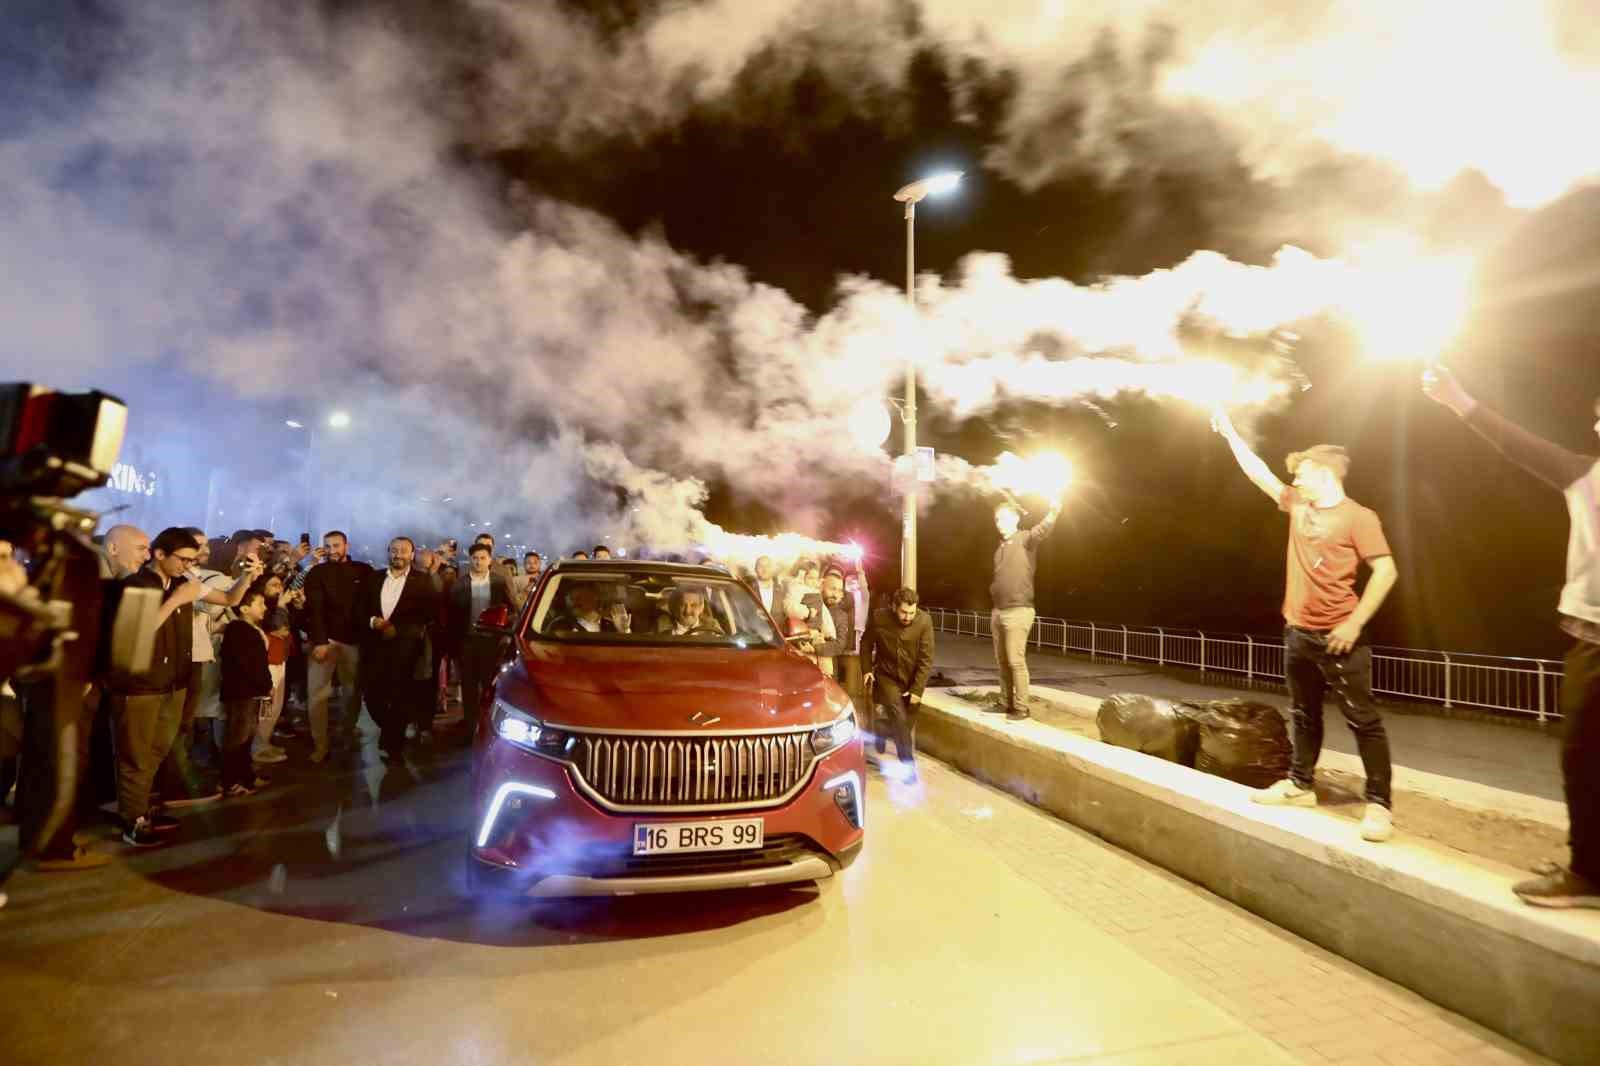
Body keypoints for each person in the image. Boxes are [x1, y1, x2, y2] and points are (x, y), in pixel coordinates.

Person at [1424, 364, 1600, 906]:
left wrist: (1459, 401)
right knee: (1584, 753)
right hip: (1593, 635)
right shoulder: (1584, 474)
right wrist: (1458, 401)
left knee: (1584, 752)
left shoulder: (1585, 475)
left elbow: (1517, 444)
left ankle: (1589, 874)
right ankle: (1590, 869)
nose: (1597, 427)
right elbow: (1517, 445)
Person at [1213, 411, 1400, 843]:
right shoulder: (1298, 505)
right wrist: (1230, 433)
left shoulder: (1359, 517)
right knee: (1303, 714)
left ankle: (1380, 806)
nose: (1295, 482)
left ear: (1326, 473)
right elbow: (1258, 473)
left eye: (1302, 474)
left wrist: (1353, 625)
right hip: (1297, 633)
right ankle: (1300, 785)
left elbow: (1386, 571)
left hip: (1340, 638)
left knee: (1364, 722)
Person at [105, 527, 261, 846]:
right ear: (160, 555)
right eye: (183, 558)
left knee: (159, 748)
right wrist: (177, 598)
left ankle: (142, 808)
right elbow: (134, 634)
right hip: (140, 685)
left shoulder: (182, 583)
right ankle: (132, 820)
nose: (188, 565)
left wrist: (247, 578)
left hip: (172, 682)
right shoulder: (137, 584)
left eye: (193, 559)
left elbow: (230, 598)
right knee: (136, 753)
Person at [357, 536, 439, 761]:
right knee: (372, 697)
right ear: (388, 552)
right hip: (374, 649)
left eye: (403, 551)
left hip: (406, 649)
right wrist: (373, 621)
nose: (398, 555)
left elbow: (429, 614)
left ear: (412, 555)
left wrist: (398, 628)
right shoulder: (373, 578)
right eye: (394, 550)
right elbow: (360, 609)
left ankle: (394, 748)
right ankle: (392, 732)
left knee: (400, 698)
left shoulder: (422, 581)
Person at [989, 497, 1062, 723]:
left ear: (1015, 518)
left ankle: (1021, 707)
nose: (999, 523)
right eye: (996, 519)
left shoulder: (1026, 539)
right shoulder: (1000, 548)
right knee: (1002, 661)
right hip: (998, 611)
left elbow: (1043, 529)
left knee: (1015, 660)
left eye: (1003, 518)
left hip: (1018, 611)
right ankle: (1005, 703)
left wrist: (1054, 510)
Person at [303, 530, 371, 762]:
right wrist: (320, 641)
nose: (332, 550)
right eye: (328, 546)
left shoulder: (364, 571)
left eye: (336, 545)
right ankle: (320, 744)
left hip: (354, 641)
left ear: (346, 546)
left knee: (352, 693)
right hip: (326, 640)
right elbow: (315, 609)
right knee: (317, 694)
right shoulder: (317, 573)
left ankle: (347, 732)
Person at [861, 587, 935, 783]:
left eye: (911, 612)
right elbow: (866, 644)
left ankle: (881, 730)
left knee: (905, 723)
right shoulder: (879, 618)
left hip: (912, 679)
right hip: (887, 677)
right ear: (894, 607)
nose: (907, 617)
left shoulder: (924, 621)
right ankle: (908, 766)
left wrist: (917, 689)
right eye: (903, 612)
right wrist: (867, 669)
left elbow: (926, 659)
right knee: (899, 718)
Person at [449, 544, 514, 728]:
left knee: (489, 685)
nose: (478, 561)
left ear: (490, 560)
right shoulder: (460, 583)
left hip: (492, 641)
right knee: (468, 685)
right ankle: (470, 724)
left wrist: (504, 627)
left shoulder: (498, 582)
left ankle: (488, 724)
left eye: (483, 558)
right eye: (475, 558)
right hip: (467, 641)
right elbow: (453, 616)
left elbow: (512, 608)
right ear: (470, 559)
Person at [218, 588, 273, 797]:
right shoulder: (239, 630)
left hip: (250, 691)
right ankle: (230, 780)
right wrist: (264, 683)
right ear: (244, 608)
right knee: (238, 737)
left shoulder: (248, 629)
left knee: (246, 736)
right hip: (242, 693)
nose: (265, 608)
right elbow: (248, 664)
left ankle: (246, 775)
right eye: (260, 604)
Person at [549, 582, 629, 634]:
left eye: (579, 597)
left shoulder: (611, 626)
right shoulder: (560, 625)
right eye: (571, 599)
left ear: (595, 597)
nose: (573, 603)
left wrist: (623, 631)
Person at [655, 587, 724, 637]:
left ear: (701, 608)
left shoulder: (712, 626)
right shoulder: (661, 625)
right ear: (676, 607)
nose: (687, 611)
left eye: (693, 605)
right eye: (682, 605)